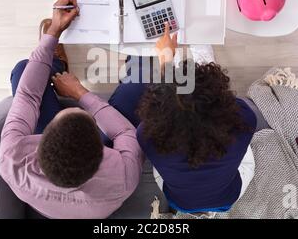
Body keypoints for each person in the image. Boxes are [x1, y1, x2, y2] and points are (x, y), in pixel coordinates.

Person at [0, 0, 144, 219]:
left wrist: (54, 31)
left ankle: (57, 64)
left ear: (43, 139)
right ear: (102, 151)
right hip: (99, 182)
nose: (70, 108)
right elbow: (125, 131)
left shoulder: (13, 159)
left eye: (63, 115)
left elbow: (27, 97)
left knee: (22, 69)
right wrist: (80, 94)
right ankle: (139, 53)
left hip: (56, 169)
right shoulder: (123, 176)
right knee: (142, 81)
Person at [108, 25, 260, 214]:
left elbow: (169, 102)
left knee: (190, 94)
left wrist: (167, 64)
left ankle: (196, 52)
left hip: (181, 201)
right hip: (226, 196)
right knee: (203, 94)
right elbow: (225, 99)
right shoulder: (245, 118)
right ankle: (200, 52)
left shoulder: (146, 135)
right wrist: (167, 65)